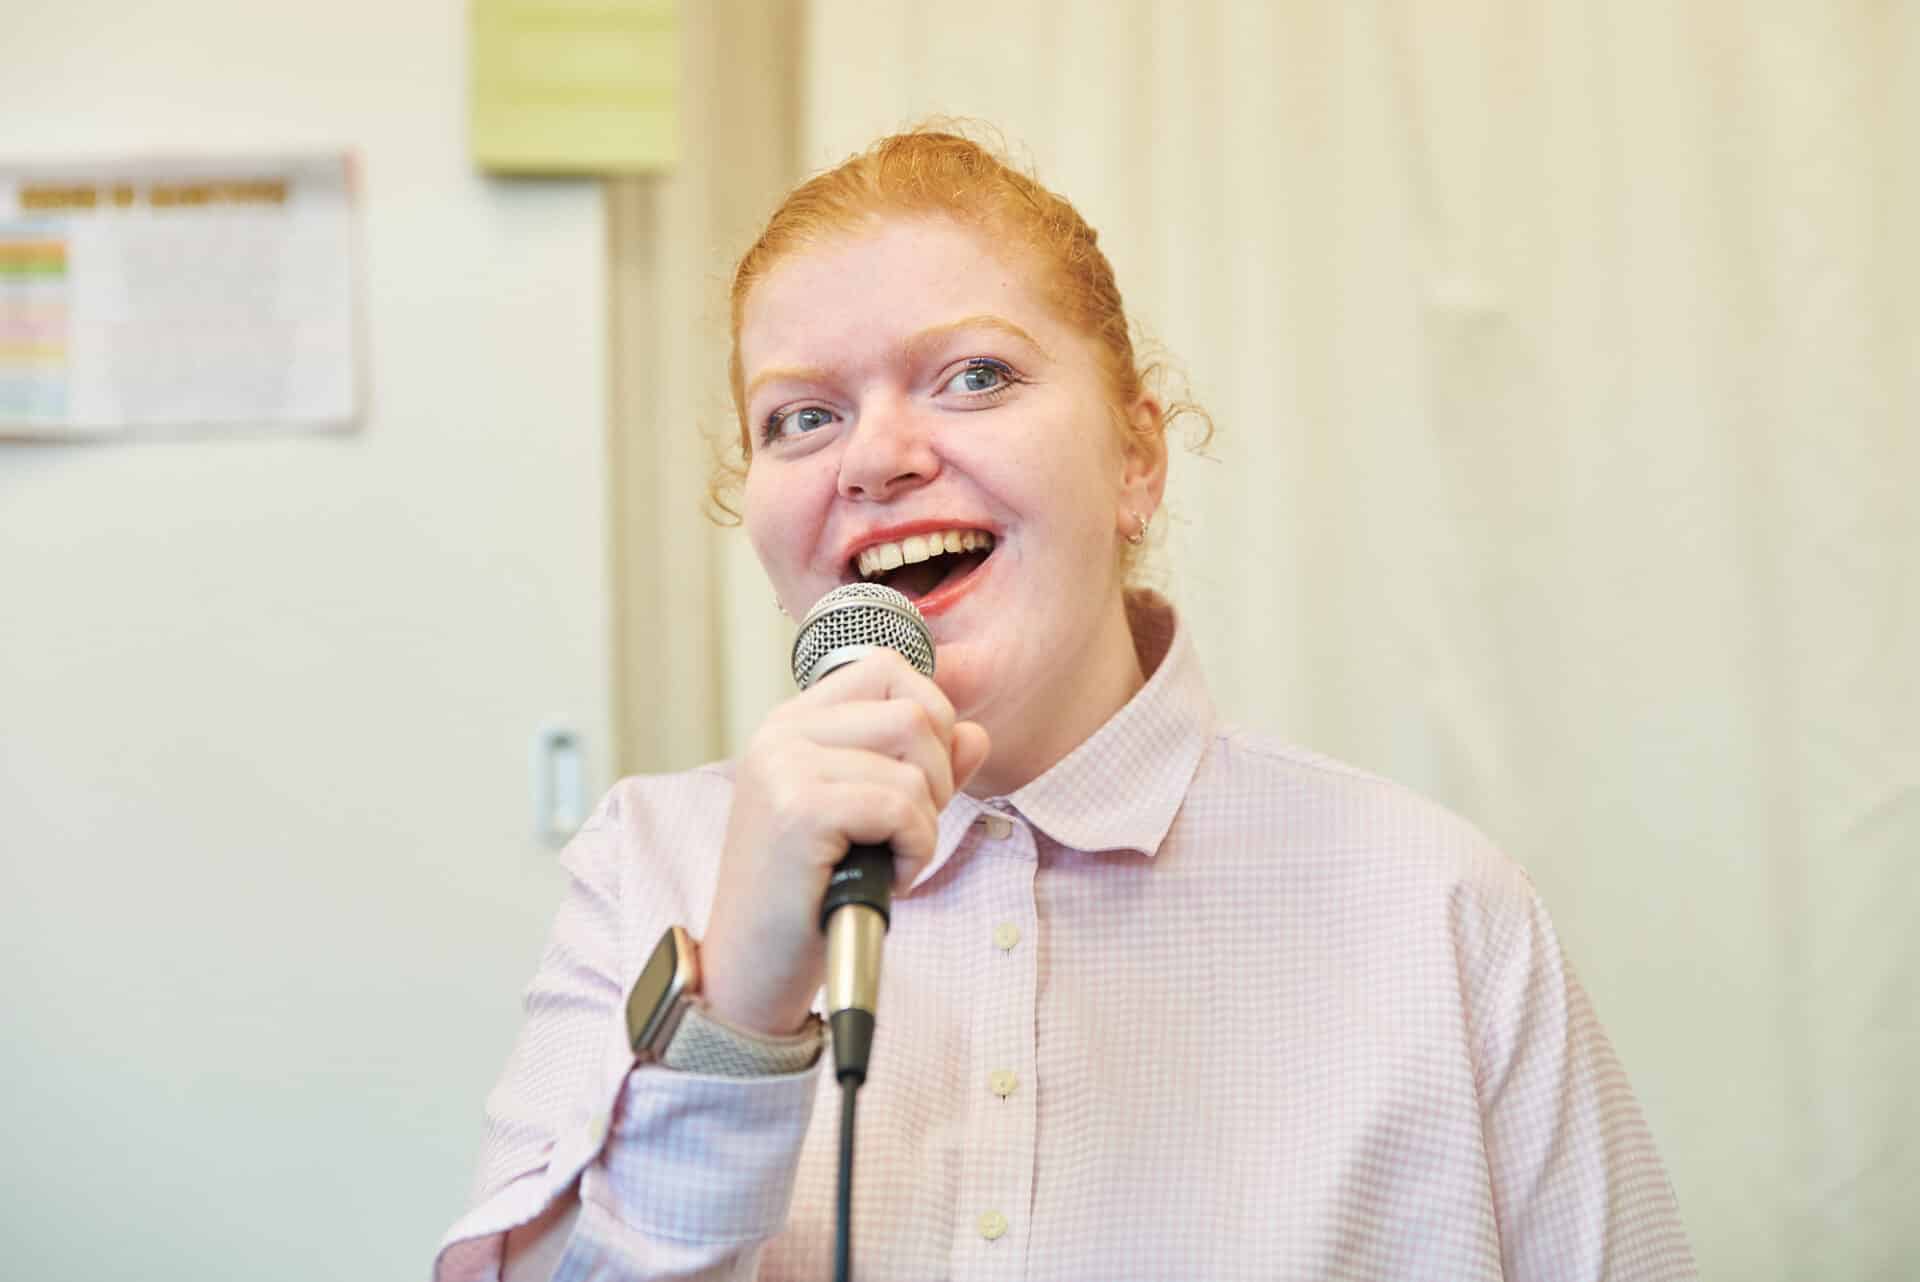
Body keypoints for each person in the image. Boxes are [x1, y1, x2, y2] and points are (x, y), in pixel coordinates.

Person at [435, 127, 1696, 1281]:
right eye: (802, 415)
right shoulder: (644, 865)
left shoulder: (1434, 909)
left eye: (975, 376)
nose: (876, 457)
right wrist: (739, 1015)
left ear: (1136, 459)